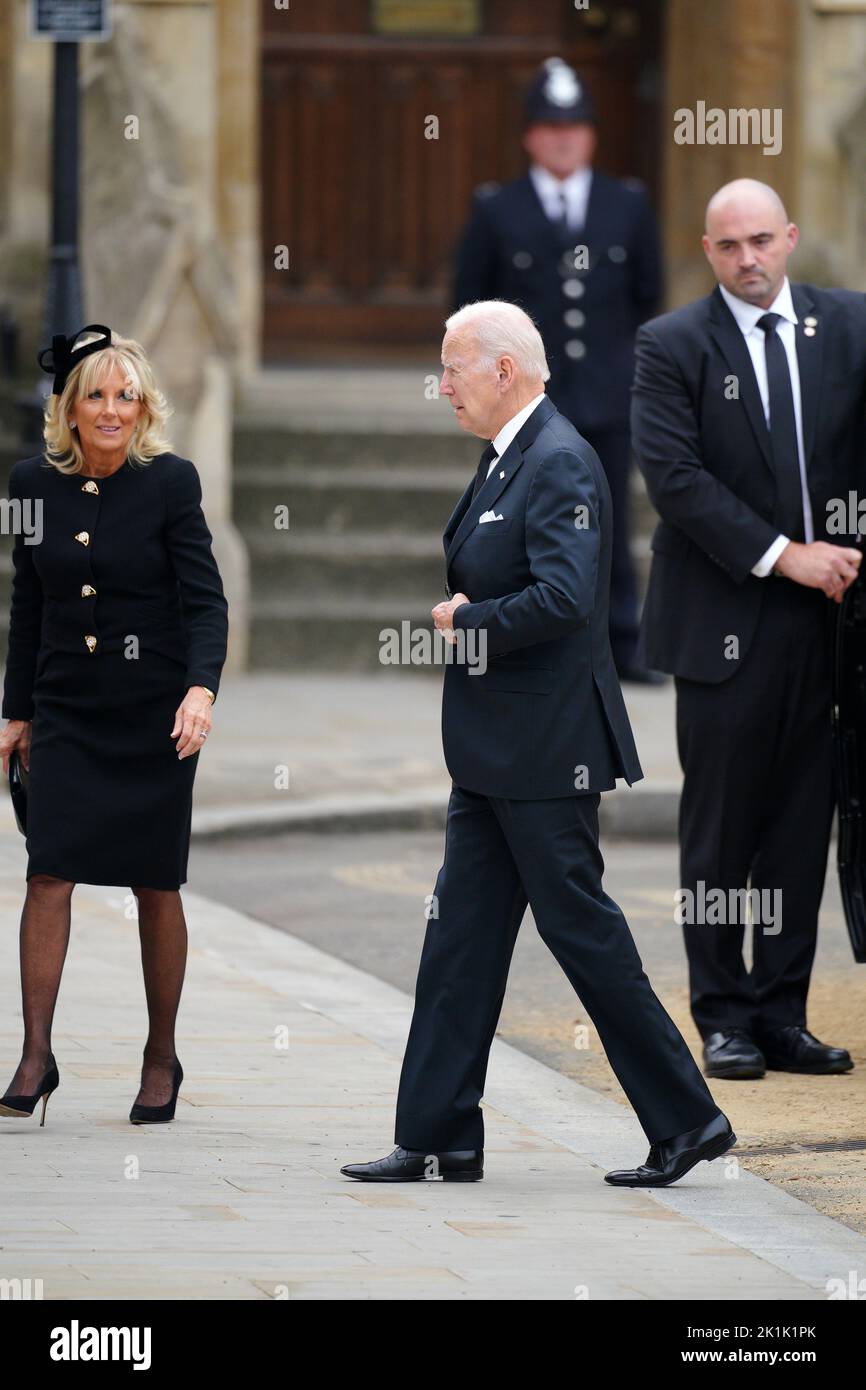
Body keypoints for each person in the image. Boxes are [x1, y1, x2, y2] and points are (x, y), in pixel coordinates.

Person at [341, 301, 734, 1187]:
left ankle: (688, 1120)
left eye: (453, 369)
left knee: (586, 937)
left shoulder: (557, 460)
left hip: (546, 753)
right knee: (459, 942)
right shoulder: (511, 454)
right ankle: (440, 1133)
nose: (442, 386)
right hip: (494, 753)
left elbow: (565, 597)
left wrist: (467, 621)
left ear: (504, 371)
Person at [631, 179, 866, 1081]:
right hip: (726, 619)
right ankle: (723, 1015)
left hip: (828, 624)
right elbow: (676, 481)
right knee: (725, 828)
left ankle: (782, 1013)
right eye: (730, 247)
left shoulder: (845, 327)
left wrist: (844, 550)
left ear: (792, 237)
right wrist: (785, 554)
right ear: (707, 250)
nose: (749, 260)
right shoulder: (672, 345)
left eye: (763, 241)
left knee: (805, 824)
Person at [0, 325, 228, 1126]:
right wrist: (14, 713)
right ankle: (34, 1054)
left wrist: (201, 690)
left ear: (142, 408)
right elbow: (27, 606)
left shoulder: (170, 482)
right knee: (47, 873)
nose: (109, 409)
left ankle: (160, 1054)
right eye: (94, 394)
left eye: (124, 395)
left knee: (155, 883)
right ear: (69, 407)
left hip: (154, 714)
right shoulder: (32, 483)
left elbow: (205, 599)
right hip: (66, 708)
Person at [453, 57, 663, 682]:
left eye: (574, 125)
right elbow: (469, 305)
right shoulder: (496, 209)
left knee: (610, 519)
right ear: (529, 136)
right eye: (549, 125)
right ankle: (497, 638)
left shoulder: (627, 204)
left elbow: (645, 294)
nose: (563, 136)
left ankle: (622, 644)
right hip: (518, 404)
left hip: (604, 395)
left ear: (592, 134)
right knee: (503, 525)